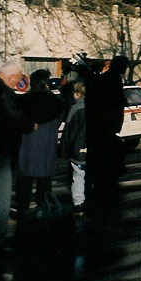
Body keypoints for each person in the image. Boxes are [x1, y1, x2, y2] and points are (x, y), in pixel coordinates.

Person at [0, 61, 58, 263]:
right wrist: (29, 125)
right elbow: (11, 119)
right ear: (11, 77)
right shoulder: (3, 94)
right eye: (18, 79)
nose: (19, 83)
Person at [15, 69, 63, 219]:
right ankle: (43, 208)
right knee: (44, 184)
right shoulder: (56, 102)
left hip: (27, 149)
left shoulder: (23, 101)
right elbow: (59, 119)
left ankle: (23, 210)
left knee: (24, 184)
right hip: (46, 149)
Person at [85, 54, 128, 209]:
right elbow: (112, 104)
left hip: (103, 130)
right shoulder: (112, 80)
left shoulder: (109, 79)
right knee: (105, 172)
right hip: (105, 130)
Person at [59, 81, 87, 213]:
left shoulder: (75, 109)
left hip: (78, 148)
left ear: (77, 94)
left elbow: (68, 131)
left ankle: (79, 202)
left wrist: (63, 151)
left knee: (78, 176)